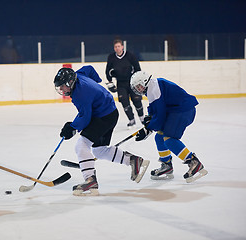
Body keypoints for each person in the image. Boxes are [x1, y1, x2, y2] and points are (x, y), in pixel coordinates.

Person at [54, 66, 150, 196]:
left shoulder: (79, 95)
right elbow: (89, 69)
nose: (61, 89)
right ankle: (133, 160)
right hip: (110, 112)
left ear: (69, 82)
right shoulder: (79, 75)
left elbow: (85, 117)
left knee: (81, 145)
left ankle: (90, 180)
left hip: (104, 116)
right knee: (99, 150)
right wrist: (96, 83)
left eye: (62, 86)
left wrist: (72, 128)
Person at [130, 71, 208, 183]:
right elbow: (156, 106)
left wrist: (148, 128)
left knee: (169, 139)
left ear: (144, 82)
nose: (137, 89)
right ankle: (167, 165)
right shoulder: (152, 85)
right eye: (136, 87)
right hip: (177, 110)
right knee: (159, 137)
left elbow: (160, 116)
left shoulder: (153, 89)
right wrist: (150, 117)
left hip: (183, 111)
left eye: (138, 86)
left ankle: (193, 162)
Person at [105, 39, 144, 128]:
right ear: (114, 48)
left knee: (137, 100)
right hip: (121, 84)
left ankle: (142, 119)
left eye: (119, 46)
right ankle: (131, 120)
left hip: (132, 82)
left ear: (122, 47)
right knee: (124, 102)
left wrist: (138, 81)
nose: (117, 48)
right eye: (115, 47)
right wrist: (110, 81)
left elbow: (137, 68)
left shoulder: (130, 56)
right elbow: (108, 70)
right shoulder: (111, 57)